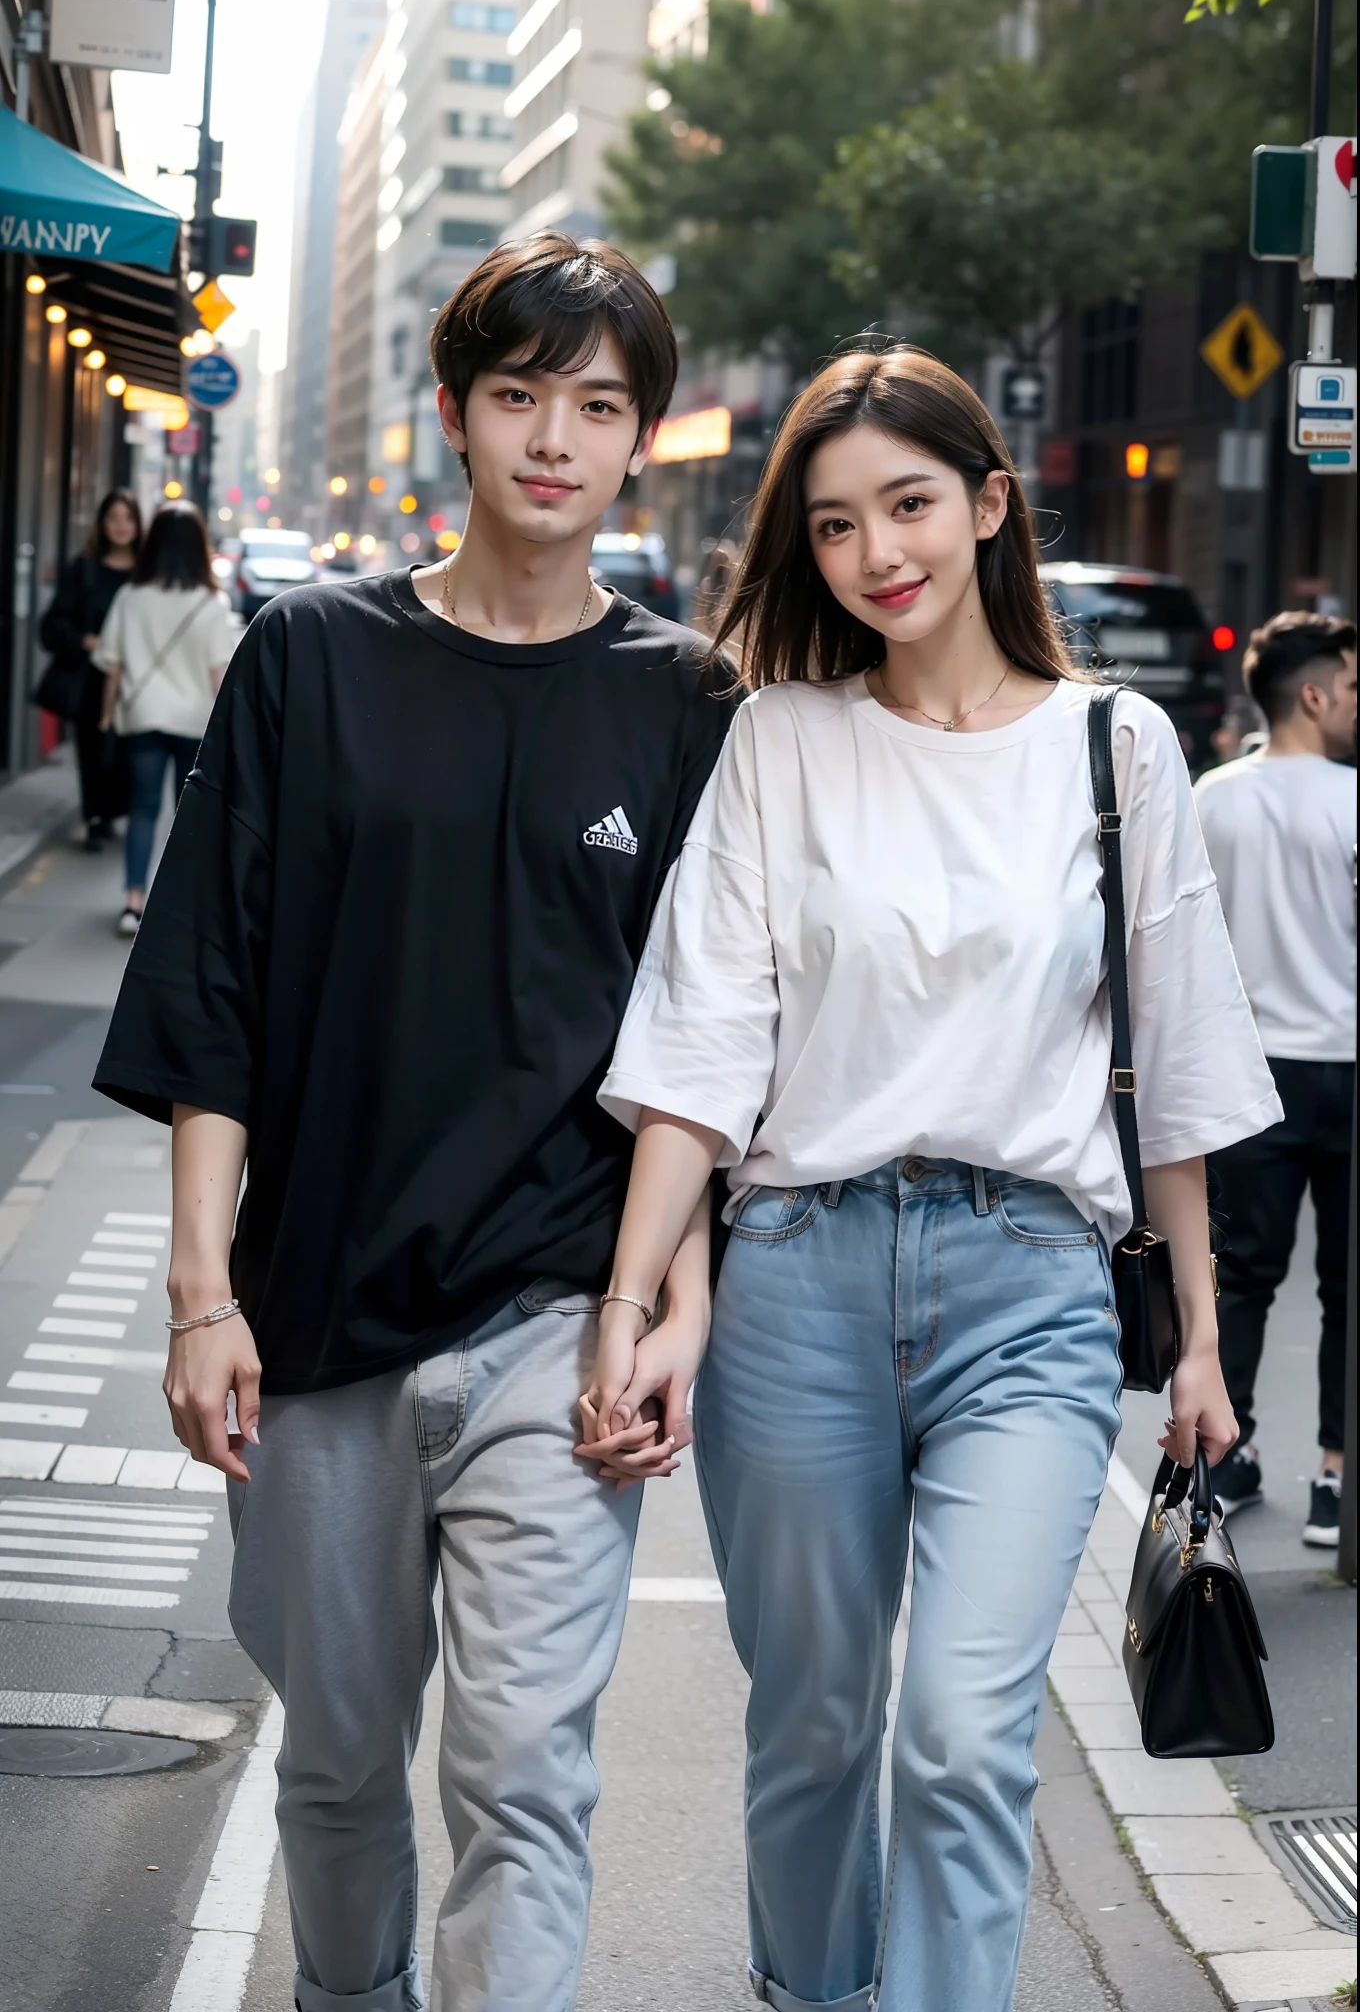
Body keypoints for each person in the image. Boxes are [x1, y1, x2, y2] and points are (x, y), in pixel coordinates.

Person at [578, 346, 1280, 2012]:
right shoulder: (783, 741)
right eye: (833, 525)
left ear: (986, 502)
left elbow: (1174, 1063)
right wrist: (636, 1302)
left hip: (1027, 1286)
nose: (876, 550)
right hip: (797, 1285)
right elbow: (698, 1041)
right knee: (815, 1719)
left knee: (965, 1732)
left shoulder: (1119, 748)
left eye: (907, 503)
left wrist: (1196, 1343)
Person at [93, 234, 732, 2012]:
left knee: (527, 1773)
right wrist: (200, 1291)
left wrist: (682, 1299)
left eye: (598, 405)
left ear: (638, 439)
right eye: (520, 393)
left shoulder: (691, 703)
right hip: (317, 1315)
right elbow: (213, 983)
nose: (555, 436)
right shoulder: (310, 658)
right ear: (454, 412)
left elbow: (720, 1044)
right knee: (338, 1767)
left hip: (556, 1327)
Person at [1194, 612, 1357, 1545]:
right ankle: (1338, 1478)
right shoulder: (1353, 800)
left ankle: (1228, 1454)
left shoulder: (1214, 796)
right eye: (1352, 689)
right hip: (1349, 1066)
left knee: (1243, 1278)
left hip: (1251, 1075)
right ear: (1313, 694)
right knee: (1347, 1284)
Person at [94, 501, 233, 938]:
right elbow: (220, 674)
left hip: (143, 716)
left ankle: (132, 903)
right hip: (195, 722)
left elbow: (112, 665)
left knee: (143, 808)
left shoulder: (130, 597)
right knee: (187, 815)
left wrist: (105, 714)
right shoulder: (211, 602)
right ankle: (177, 907)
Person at [37, 488, 142, 849]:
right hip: (91, 678)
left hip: (135, 678)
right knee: (93, 749)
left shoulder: (146, 574)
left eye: (128, 518)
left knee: (129, 749)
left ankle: (115, 812)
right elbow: (52, 626)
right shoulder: (85, 569)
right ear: (101, 523)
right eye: (113, 518)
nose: (121, 526)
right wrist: (87, 641)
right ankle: (95, 819)